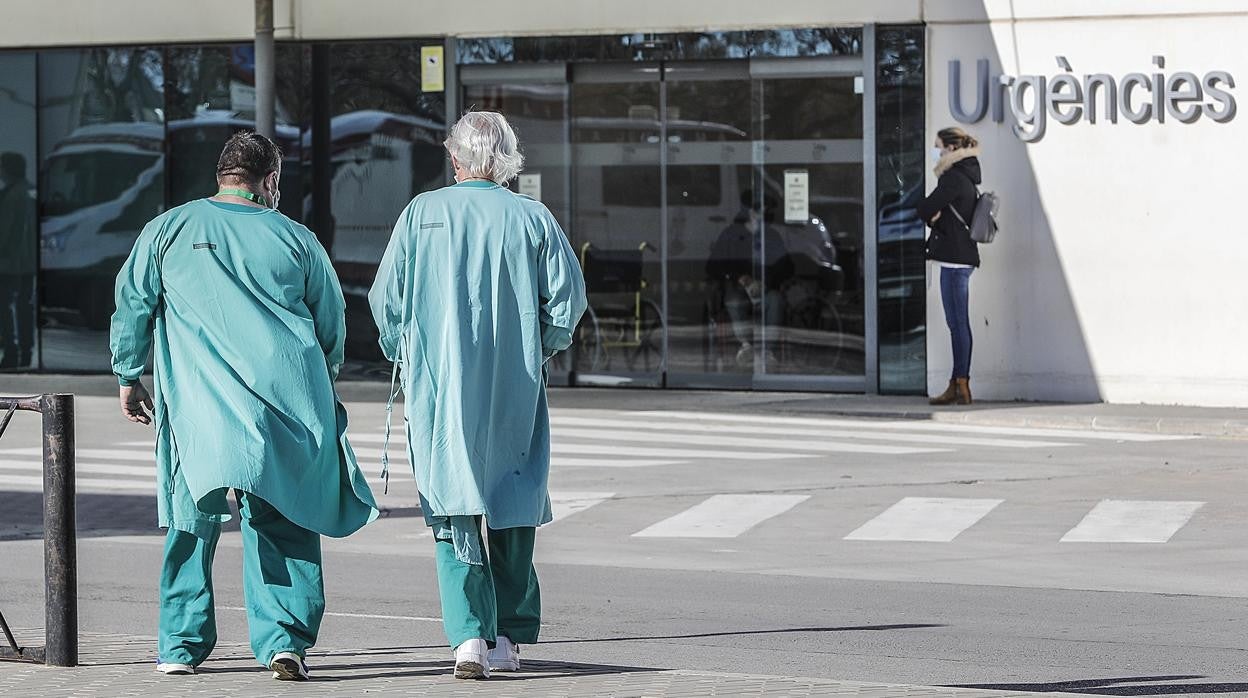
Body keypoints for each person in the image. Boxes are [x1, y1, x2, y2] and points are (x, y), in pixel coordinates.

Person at [110, 131, 378, 681]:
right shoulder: (297, 240)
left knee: (191, 524)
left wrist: (128, 375)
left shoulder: (168, 229)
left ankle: (178, 648)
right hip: (282, 409)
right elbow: (330, 330)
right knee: (282, 523)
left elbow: (133, 302)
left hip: (197, 412)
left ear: (222, 175)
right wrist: (323, 383)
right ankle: (284, 644)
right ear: (270, 180)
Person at [369, 111, 586, 680]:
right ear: (508, 160)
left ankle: (467, 638)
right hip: (515, 386)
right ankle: (509, 637)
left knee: (452, 508)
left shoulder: (423, 214)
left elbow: (384, 301)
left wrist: (407, 352)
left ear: (455, 157)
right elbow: (567, 304)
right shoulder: (533, 219)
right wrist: (538, 349)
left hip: (441, 387)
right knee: (513, 506)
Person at [918, 126, 982, 405]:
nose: (936, 151)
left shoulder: (953, 178)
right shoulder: (966, 175)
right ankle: (959, 382)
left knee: (957, 323)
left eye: (938, 146)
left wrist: (932, 217)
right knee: (958, 323)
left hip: (954, 261)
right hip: (960, 257)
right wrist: (936, 217)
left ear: (952, 149)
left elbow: (924, 207)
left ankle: (960, 383)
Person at [706, 190, 792, 368]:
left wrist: (765, 282)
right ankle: (746, 346)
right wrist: (739, 277)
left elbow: (787, 266)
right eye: (759, 210)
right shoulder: (730, 234)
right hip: (738, 288)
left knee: (775, 301)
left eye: (764, 210)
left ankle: (767, 350)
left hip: (765, 288)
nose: (761, 214)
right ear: (749, 211)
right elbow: (713, 265)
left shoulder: (772, 236)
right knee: (734, 300)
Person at [0, 152, 37, 369]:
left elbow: (6, 231)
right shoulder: (30, 191)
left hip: (9, 263)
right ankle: (25, 350)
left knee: (7, 309)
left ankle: (12, 351)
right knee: (25, 308)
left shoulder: (11, 195)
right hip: (28, 263)